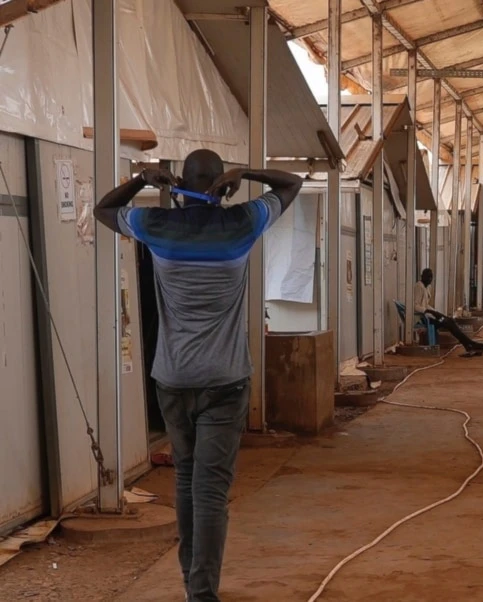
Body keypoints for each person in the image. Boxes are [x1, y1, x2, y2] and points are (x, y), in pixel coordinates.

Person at [94, 149, 302, 601]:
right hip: (225, 382)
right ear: (221, 186)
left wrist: (142, 179)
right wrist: (247, 172)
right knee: (209, 488)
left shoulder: (157, 225)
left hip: (173, 379)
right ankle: (201, 593)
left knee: (187, 477)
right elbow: (291, 185)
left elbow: (104, 209)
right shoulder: (243, 223)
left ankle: (193, 581)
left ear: (180, 183)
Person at [414, 268, 483, 355]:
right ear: (422, 277)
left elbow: (425, 304)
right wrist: (427, 311)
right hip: (424, 318)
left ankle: (469, 344)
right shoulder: (418, 286)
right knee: (449, 323)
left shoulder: (428, 287)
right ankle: (469, 344)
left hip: (430, 315)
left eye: (431, 277)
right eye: (427, 277)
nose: (429, 279)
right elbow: (416, 306)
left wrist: (434, 311)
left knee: (450, 321)